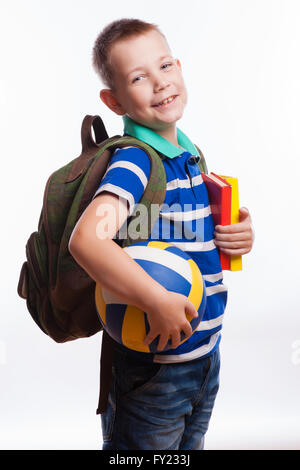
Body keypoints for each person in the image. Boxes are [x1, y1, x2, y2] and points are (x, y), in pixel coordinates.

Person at [68, 18, 254, 450]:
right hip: (153, 368)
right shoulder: (135, 162)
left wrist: (238, 234)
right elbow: (86, 240)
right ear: (113, 101)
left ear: (180, 67)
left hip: (204, 355)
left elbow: (181, 236)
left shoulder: (188, 154)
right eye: (138, 77)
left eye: (165, 66)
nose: (159, 83)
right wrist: (153, 299)